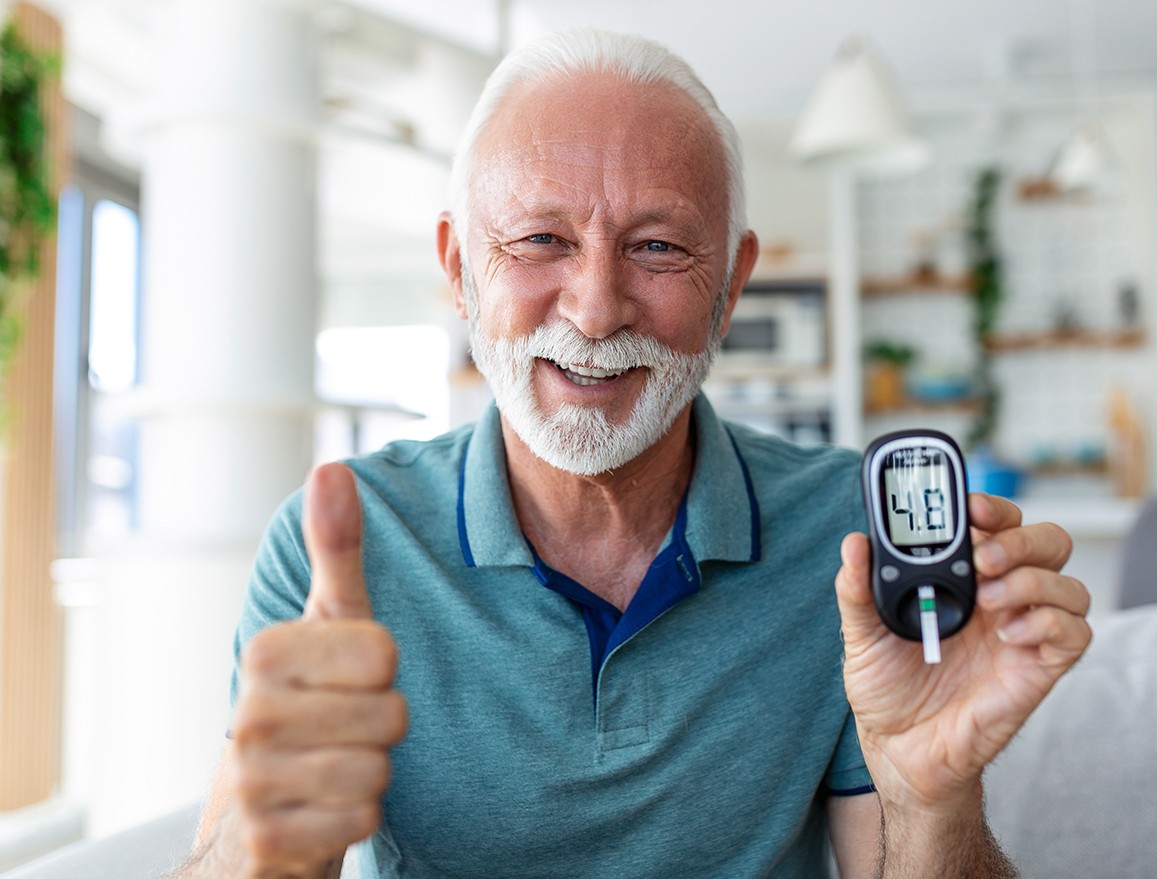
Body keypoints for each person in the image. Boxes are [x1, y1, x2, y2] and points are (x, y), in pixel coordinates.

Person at [173, 28, 1091, 879]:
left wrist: (931, 797)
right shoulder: (338, 547)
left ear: (730, 286)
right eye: (541, 240)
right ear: (459, 268)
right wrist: (265, 844)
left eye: (657, 247)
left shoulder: (851, 542)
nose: (595, 307)